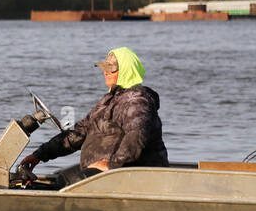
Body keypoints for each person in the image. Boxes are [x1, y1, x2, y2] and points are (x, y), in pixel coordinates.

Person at [20, 46, 168, 187]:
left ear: (127, 71)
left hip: (129, 175)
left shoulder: (137, 101)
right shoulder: (107, 101)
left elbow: (137, 135)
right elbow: (77, 134)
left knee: (76, 183)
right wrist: (39, 155)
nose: (105, 72)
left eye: (111, 69)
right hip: (104, 173)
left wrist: (112, 165)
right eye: (105, 68)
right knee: (62, 181)